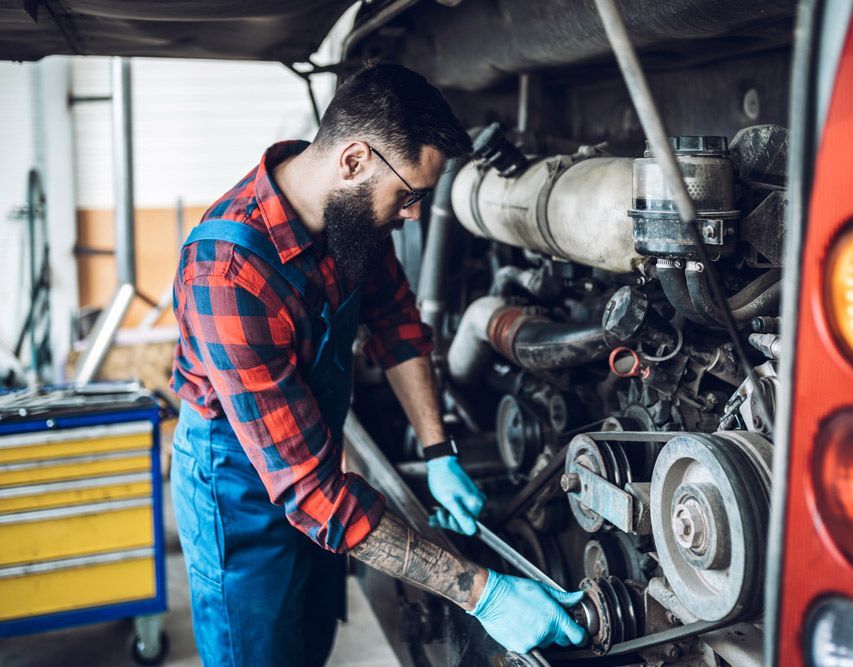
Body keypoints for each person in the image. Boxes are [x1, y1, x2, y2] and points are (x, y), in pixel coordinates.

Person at [169, 62, 586, 666]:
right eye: (410, 196)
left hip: (308, 450)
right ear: (354, 160)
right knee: (257, 652)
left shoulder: (351, 219)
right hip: (236, 484)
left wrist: (438, 450)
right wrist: (484, 594)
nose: (413, 215)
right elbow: (314, 495)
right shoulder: (227, 273)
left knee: (309, 637)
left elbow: (395, 323)